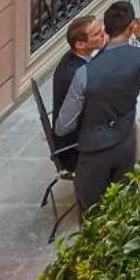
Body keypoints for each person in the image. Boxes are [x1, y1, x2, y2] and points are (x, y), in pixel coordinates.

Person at [55, 1, 140, 214]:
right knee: (125, 209)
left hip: (94, 151)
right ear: (131, 28)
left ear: (107, 29)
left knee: (92, 214)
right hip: (126, 143)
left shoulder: (84, 73)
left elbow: (63, 126)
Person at [49, 14, 104, 173]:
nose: (103, 34)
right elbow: (63, 128)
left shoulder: (73, 56)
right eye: (96, 33)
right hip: (75, 149)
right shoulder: (76, 74)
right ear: (80, 44)